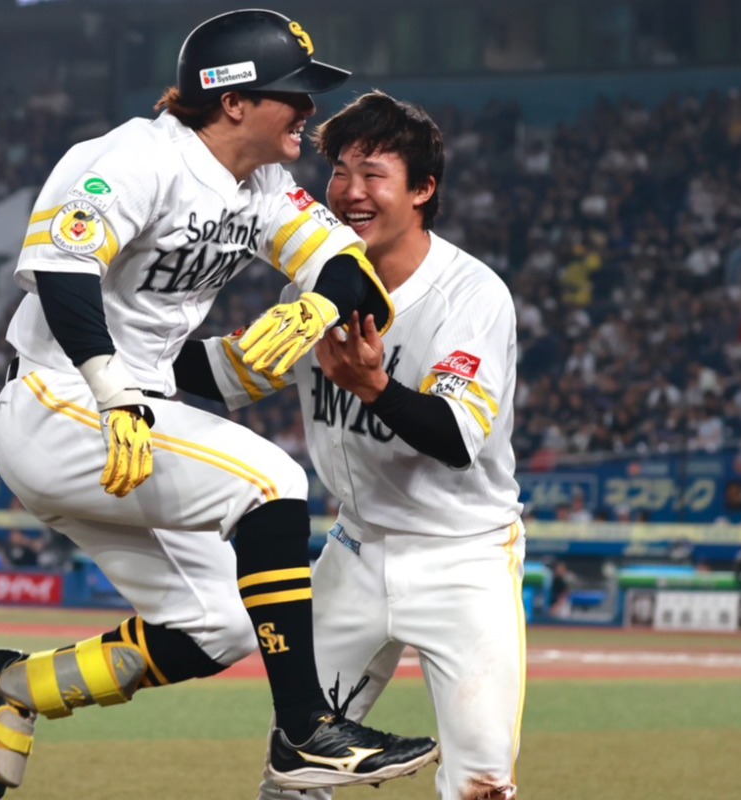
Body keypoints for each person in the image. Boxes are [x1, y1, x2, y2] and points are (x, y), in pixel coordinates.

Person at [0, 10, 436, 800]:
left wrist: (319, 306)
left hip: (131, 414)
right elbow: (65, 271)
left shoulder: (262, 186)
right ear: (235, 102)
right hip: (61, 399)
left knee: (218, 625)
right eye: (294, 93)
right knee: (274, 481)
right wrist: (113, 393)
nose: (308, 110)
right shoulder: (134, 156)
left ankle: (19, 688)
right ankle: (305, 734)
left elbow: (352, 270)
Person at [176, 91, 526, 800]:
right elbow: (226, 375)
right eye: (340, 171)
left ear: (424, 189)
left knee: (481, 782)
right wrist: (119, 346)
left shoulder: (471, 295)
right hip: (357, 552)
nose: (350, 192)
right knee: (297, 768)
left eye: (374, 174)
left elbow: (454, 438)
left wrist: (374, 387)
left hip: (465, 559)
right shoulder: (320, 288)